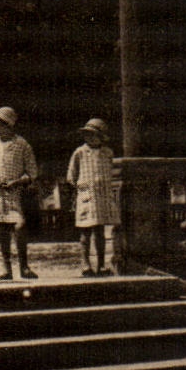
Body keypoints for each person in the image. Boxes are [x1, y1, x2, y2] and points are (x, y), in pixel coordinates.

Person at [0, 106, 39, 280]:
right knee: (2, 230)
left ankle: (24, 267)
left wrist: (17, 181)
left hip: (15, 193)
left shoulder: (22, 145)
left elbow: (32, 172)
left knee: (19, 226)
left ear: (8, 124)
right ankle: (6, 268)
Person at [66, 118, 120, 276]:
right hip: (86, 198)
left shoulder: (108, 153)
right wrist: (80, 186)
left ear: (101, 137)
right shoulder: (80, 152)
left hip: (102, 198)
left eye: (93, 135)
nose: (90, 138)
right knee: (85, 232)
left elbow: (113, 173)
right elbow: (71, 176)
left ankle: (101, 265)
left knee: (100, 232)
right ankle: (85, 264)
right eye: (87, 135)